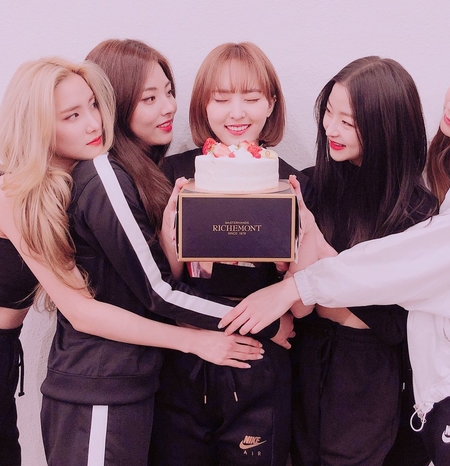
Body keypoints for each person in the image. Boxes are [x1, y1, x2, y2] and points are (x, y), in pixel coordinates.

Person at [221, 41, 450, 466]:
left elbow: (408, 270)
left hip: (447, 380)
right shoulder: (445, 165)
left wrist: (305, 277)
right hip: (359, 369)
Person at [0, 58, 262, 466]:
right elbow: (82, 312)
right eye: (72, 116)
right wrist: (197, 339)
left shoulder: (70, 180)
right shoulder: (16, 192)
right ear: (38, 126)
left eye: (93, 105)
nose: (93, 123)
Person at [39, 40, 283, 466]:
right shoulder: (105, 174)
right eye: (149, 99)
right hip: (101, 381)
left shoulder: (145, 173)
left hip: (136, 380)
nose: (168, 106)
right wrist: (264, 322)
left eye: (168, 92)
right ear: (116, 104)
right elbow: (157, 291)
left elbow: (146, 282)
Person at [150, 42, 308, 466]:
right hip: (186, 361)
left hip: (261, 367)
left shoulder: (290, 183)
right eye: (221, 99)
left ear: (271, 103)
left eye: (251, 98)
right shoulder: (175, 175)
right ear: (204, 104)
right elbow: (160, 284)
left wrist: (291, 263)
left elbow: (304, 298)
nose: (236, 113)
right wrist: (171, 238)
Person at [289, 57, 437, 466]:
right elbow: (301, 304)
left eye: (348, 122)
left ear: (386, 128)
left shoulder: (417, 212)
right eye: (328, 113)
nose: (331, 129)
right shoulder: (312, 184)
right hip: (307, 352)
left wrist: (323, 254)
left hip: (366, 368)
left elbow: (399, 324)